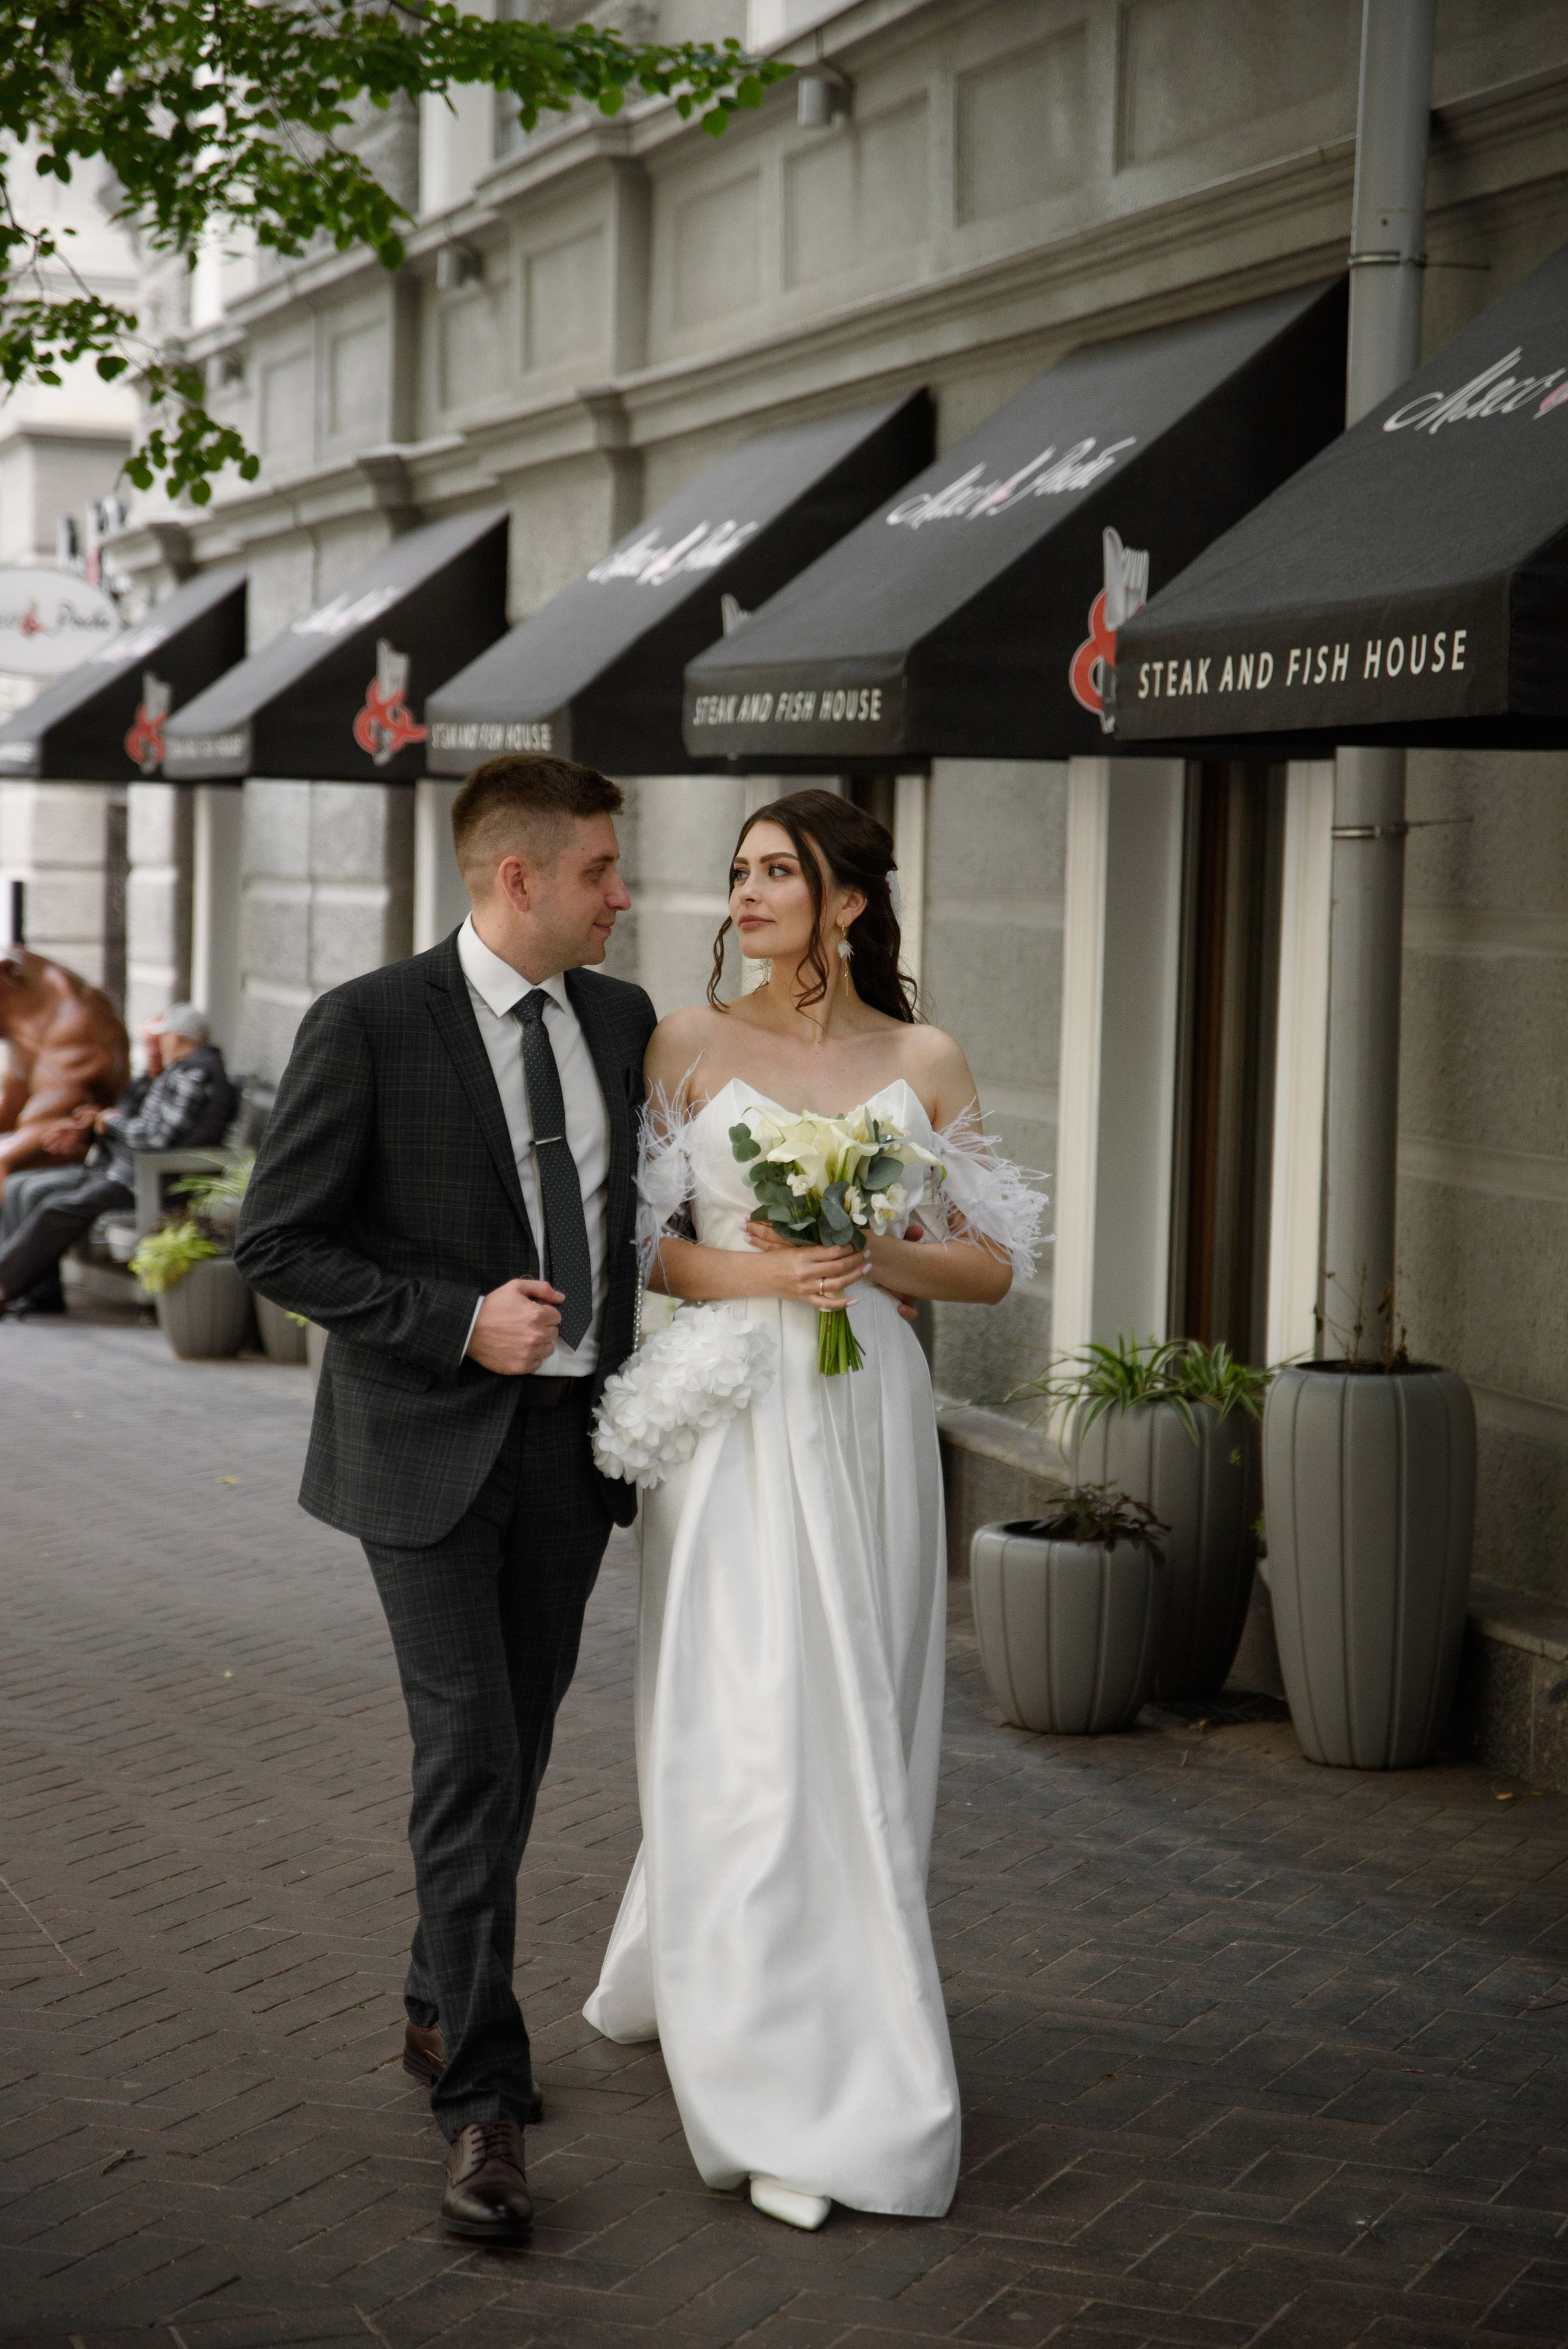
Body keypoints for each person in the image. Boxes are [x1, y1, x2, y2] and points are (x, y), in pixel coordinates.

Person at [584, 790, 1043, 2231]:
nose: (746, 894)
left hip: (865, 1422)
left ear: (846, 901)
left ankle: (841, 1985)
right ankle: (758, 2066)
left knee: (858, 1712)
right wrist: (762, 1273)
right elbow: (641, 1248)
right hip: (732, 1419)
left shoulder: (923, 1056)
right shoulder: (686, 1041)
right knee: (742, 1719)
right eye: (736, 873)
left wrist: (869, 1252)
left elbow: (991, 1267)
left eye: (776, 871)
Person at [233, 753, 655, 2248]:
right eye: (603, 869)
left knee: (518, 1743)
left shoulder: (620, 1019)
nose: (627, 895)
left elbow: (639, 1216)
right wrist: (452, 1314)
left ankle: (433, 1994)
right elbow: (274, 1240)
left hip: (572, 1448)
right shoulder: (365, 1020)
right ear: (517, 876)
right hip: (420, 1444)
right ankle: (482, 2094)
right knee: (468, 1748)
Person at [0, 1003, 235, 1317]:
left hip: (147, 1179)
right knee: (21, 1187)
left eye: (163, 1038)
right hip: (125, 1169)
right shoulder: (181, 1070)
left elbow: (157, 1138)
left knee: (55, 1207)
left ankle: (5, 1286)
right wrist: (100, 1123)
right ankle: (35, 1291)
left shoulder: (193, 1073)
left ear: (178, 1038)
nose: (160, 1045)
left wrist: (113, 1123)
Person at [0, 944, 130, 1188]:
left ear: (8, 980)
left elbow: (44, 1122)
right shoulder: (26, 1026)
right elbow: (11, 1110)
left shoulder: (78, 1024)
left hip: (83, 1148)